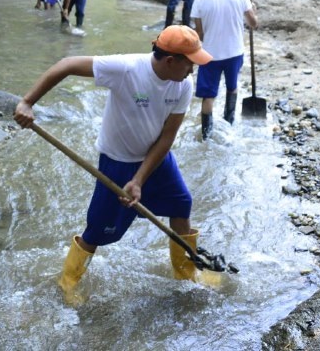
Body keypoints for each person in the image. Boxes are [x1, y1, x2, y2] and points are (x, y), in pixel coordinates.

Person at [13, 25, 213, 300]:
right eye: (190, 64)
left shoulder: (183, 85)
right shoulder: (126, 69)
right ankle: (69, 282)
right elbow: (66, 64)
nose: (192, 71)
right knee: (98, 229)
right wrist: (27, 102)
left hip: (157, 160)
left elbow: (167, 137)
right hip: (117, 163)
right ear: (170, 61)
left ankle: (186, 274)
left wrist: (140, 179)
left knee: (181, 205)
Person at [190, 0, 258, 139]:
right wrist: (254, 10)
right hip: (235, 52)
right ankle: (229, 123)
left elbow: (200, 34)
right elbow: (253, 23)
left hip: (210, 55)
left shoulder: (201, 0)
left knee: (208, 96)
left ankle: (206, 136)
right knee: (232, 87)